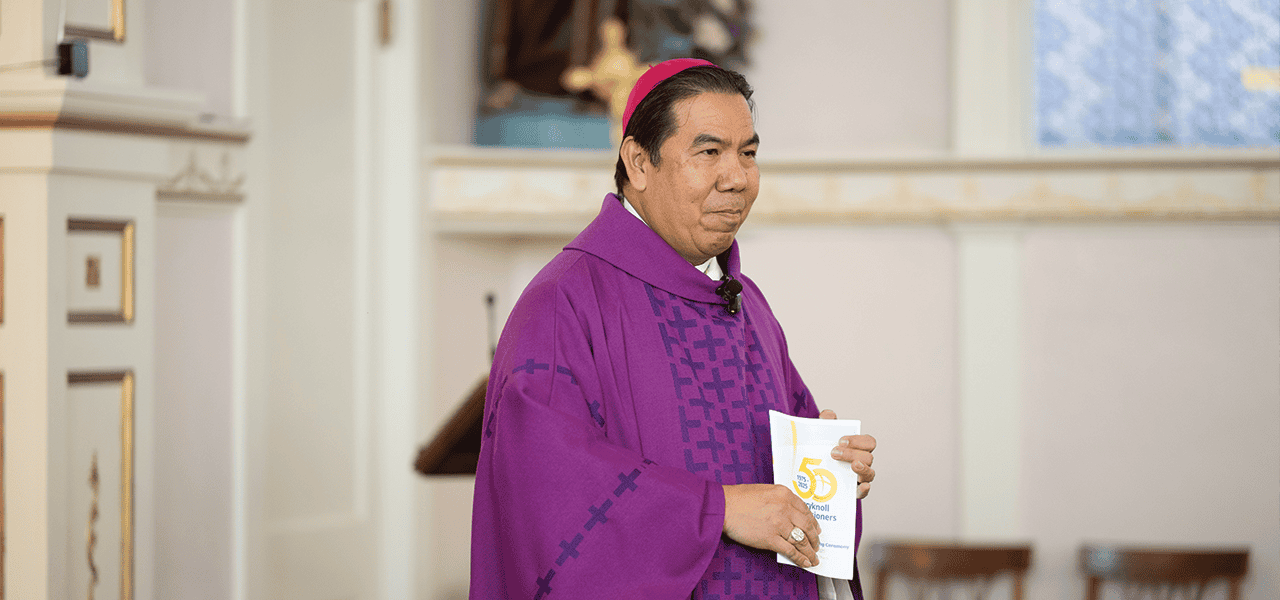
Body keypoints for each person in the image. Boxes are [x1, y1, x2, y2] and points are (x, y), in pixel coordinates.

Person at [469, 58, 878, 600]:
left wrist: (829, 476)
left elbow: (787, 494)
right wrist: (719, 510)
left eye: (748, 153)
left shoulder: (749, 305)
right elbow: (545, 495)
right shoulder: (564, 303)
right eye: (709, 152)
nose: (737, 178)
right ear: (639, 162)